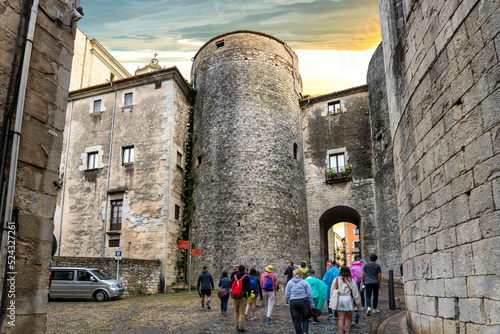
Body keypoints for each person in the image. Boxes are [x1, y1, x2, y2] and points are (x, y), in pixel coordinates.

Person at [330, 266, 361, 334]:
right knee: (348, 319)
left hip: (339, 298)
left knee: (341, 319)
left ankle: (341, 333)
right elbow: (355, 292)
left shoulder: (336, 279)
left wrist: (332, 299)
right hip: (348, 299)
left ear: (341, 272)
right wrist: (357, 302)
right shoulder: (351, 280)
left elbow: (332, 291)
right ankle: (348, 333)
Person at [285, 268, 314, 334]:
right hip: (304, 301)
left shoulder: (290, 282)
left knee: (296, 320)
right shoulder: (305, 282)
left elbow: (287, 294)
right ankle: (305, 332)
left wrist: (289, 300)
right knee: (305, 318)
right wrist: (311, 303)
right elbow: (309, 294)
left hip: (293, 302)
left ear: (293, 275)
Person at [230, 264, 251, 332]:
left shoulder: (234, 276)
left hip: (235, 296)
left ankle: (237, 324)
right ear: (244, 269)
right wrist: (249, 295)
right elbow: (249, 288)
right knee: (242, 312)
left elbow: (231, 284)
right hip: (243, 296)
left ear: (238, 269)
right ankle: (240, 326)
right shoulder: (246, 277)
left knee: (236, 310)